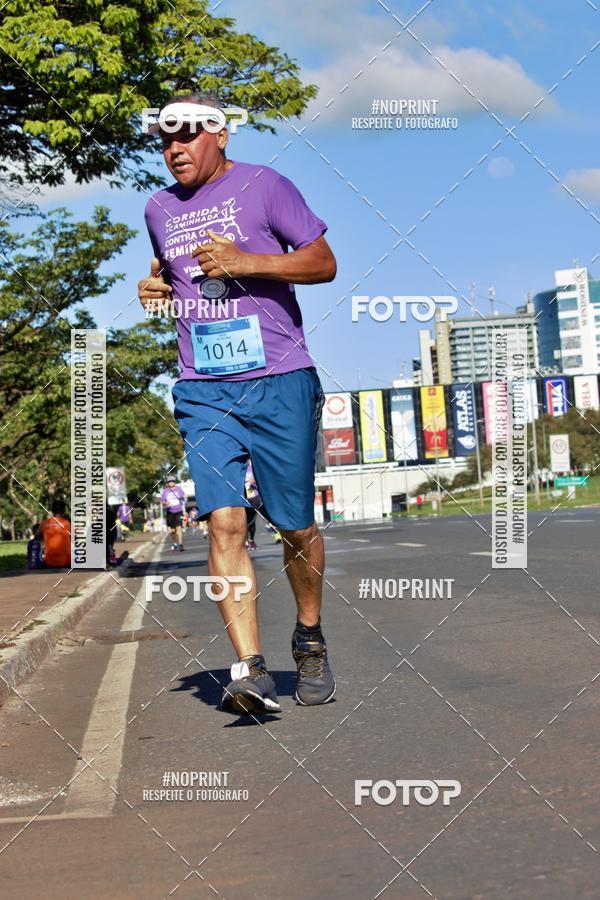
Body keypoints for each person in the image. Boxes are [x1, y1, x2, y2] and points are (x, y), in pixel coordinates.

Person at [139, 93, 337, 715]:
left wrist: (248, 261)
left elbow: (323, 262)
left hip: (279, 378)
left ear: (219, 134)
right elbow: (173, 273)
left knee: (293, 524)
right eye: (164, 141)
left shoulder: (266, 186)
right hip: (203, 388)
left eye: (187, 135)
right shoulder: (158, 208)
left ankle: (307, 637)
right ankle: (249, 667)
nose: (174, 149)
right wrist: (158, 289)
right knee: (224, 521)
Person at [35, 500, 71, 569]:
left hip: (49, 563)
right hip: (66, 562)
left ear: (52, 511)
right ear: (64, 511)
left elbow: (36, 537)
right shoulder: (67, 523)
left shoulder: (44, 523)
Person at [160, 477, 186, 551]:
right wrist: (165, 503)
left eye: (172, 481)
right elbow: (162, 501)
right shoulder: (165, 491)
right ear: (168, 483)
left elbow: (184, 496)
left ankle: (180, 544)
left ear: (175, 482)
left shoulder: (179, 489)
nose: (171, 482)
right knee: (173, 530)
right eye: (169, 481)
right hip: (170, 512)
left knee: (179, 528)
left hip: (179, 511)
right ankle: (174, 543)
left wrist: (183, 497)